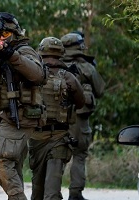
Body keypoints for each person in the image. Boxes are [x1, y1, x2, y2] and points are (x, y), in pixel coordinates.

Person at [0, 12, 46, 200]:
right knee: (13, 167)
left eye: (4, 35)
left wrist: (12, 56)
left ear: (14, 33)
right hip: (10, 117)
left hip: (22, 116)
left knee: (1, 164)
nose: (1, 39)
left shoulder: (25, 51)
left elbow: (37, 75)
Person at [29, 37, 85, 200]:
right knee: (51, 191)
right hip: (58, 136)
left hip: (36, 137)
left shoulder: (31, 74)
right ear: (61, 53)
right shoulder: (68, 76)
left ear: (40, 52)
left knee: (37, 191)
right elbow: (80, 103)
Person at [60, 32, 105, 200]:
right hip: (79, 119)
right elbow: (100, 90)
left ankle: (51, 193)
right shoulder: (86, 67)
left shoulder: (52, 65)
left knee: (57, 155)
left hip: (56, 118)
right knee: (79, 155)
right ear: (79, 46)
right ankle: (75, 194)